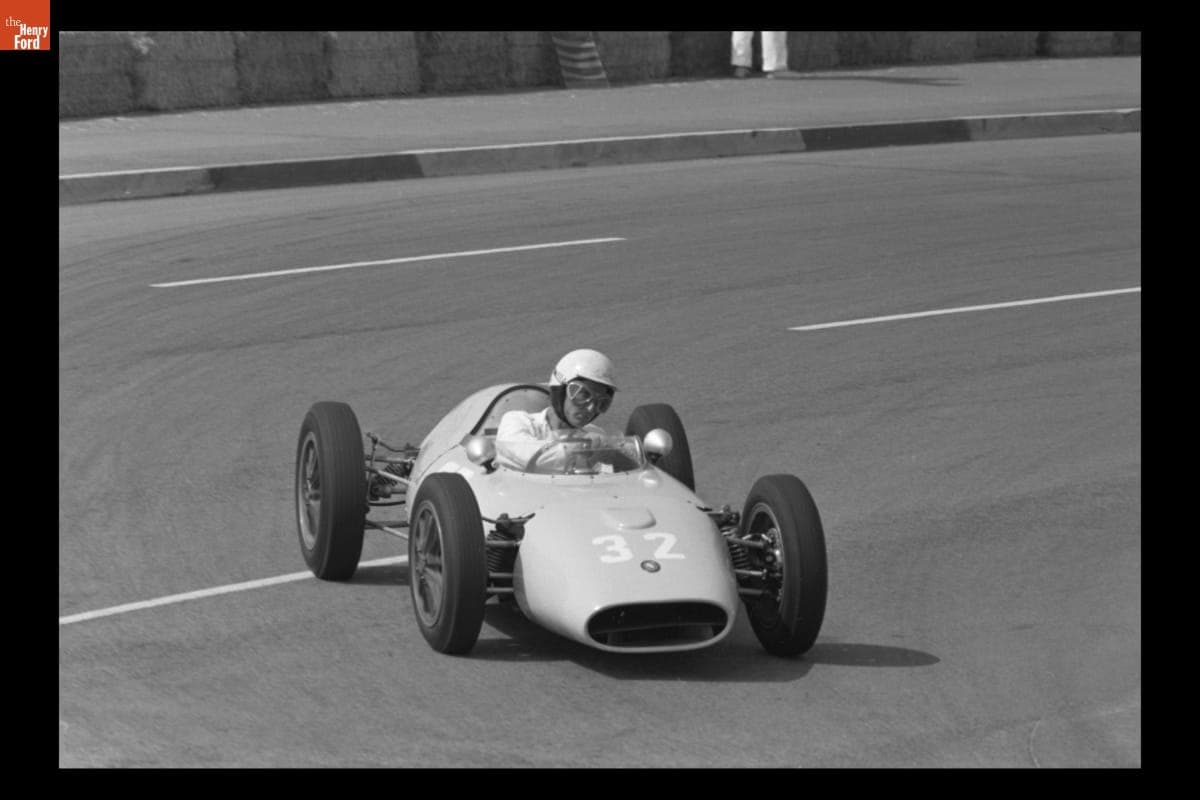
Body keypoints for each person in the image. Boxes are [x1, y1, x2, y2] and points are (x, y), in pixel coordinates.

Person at [494, 349, 617, 473]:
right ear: (560, 391)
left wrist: (618, 454)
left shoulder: (595, 434)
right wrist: (582, 448)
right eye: (583, 395)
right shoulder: (517, 421)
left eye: (601, 402)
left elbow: (608, 474)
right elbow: (525, 454)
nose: (591, 408)